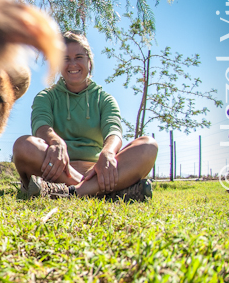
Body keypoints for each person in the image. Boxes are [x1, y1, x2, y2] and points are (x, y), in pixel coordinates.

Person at [12, 31, 158, 201]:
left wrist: (108, 152)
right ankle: (106, 192)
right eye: (66, 59)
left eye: (79, 57)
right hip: (58, 169)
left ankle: (69, 192)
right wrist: (56, 142)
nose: (73, 64)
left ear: (89, 61)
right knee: (23, 145)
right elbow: (41, 125)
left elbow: (114, 130)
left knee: (148, 146)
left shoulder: (104, 99)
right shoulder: (46, 96)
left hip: (98, 171)